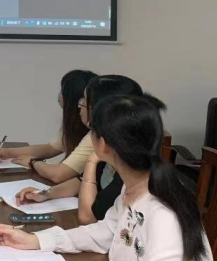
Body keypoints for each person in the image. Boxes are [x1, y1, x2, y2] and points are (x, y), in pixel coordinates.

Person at [0, 95, 217, 261]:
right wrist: (36, 240)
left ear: (103, 144)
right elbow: (108, 231)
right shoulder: (138, 186)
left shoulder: (163, 213)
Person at [12, 74, 146, 224]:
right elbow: (81, 181)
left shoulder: (129, 167)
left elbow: (87, 217)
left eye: (84, 101)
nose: (79, 105)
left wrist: (92, 160)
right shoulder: (111, 148)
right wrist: (45, 194)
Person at [0, 70, 97, 184]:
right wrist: (7, 153)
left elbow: (58, 175)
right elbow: (51, 148)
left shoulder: (95, 135)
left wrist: (33, 162)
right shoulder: (77, 124)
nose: (59, 95)